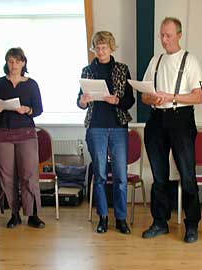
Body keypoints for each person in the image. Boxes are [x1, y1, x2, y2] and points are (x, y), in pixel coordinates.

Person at [141, 17, 202, 243]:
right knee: (159, 176)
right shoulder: (155, 60)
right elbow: (144, 95)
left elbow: (198, 96)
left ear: (179, 35)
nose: (164, 39)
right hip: (156, 119)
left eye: (168, 35)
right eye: (161, 35)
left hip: (181, 119)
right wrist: (152, 99)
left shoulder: (190, 61)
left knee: (187, 175)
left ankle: (192, 224)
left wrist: (172, 97)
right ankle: (160, 222)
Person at [77, 31, 135, 234]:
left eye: (104, 47)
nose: (100, 51)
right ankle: (102, 217)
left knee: (120, 175)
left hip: (118, 127)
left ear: (111, 48)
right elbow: (80, 101)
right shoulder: (87, 71)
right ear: (93, 49)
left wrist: (117, 100)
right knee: (100, 175)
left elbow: (130, 101)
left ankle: (121, 218)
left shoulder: (121, 69)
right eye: (97, 48)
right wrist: (82, 101)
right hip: (96, 127)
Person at [0, 47, 45, 229]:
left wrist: (27, 110)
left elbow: (38, 109)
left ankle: (32, 214)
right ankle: (14, 214)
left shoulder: (32, 84)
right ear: (6, 63)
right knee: (6, 175)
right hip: (2, 133)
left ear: (23, 63)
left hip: (26, 133)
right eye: (10, 61)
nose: (13, 65)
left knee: (29, 174)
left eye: (17, 61)